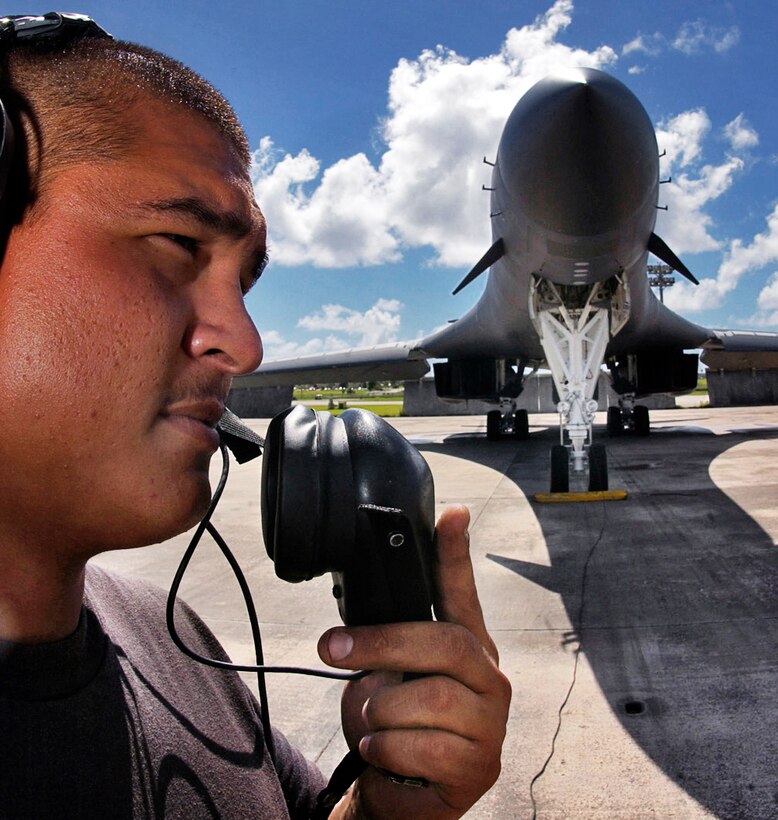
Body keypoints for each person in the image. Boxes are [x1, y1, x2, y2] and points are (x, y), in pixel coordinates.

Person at [0, 20, 510, 820]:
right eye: (176, 242)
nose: (246, 344)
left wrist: (388, 809)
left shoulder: (178, 642)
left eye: (245, 283)